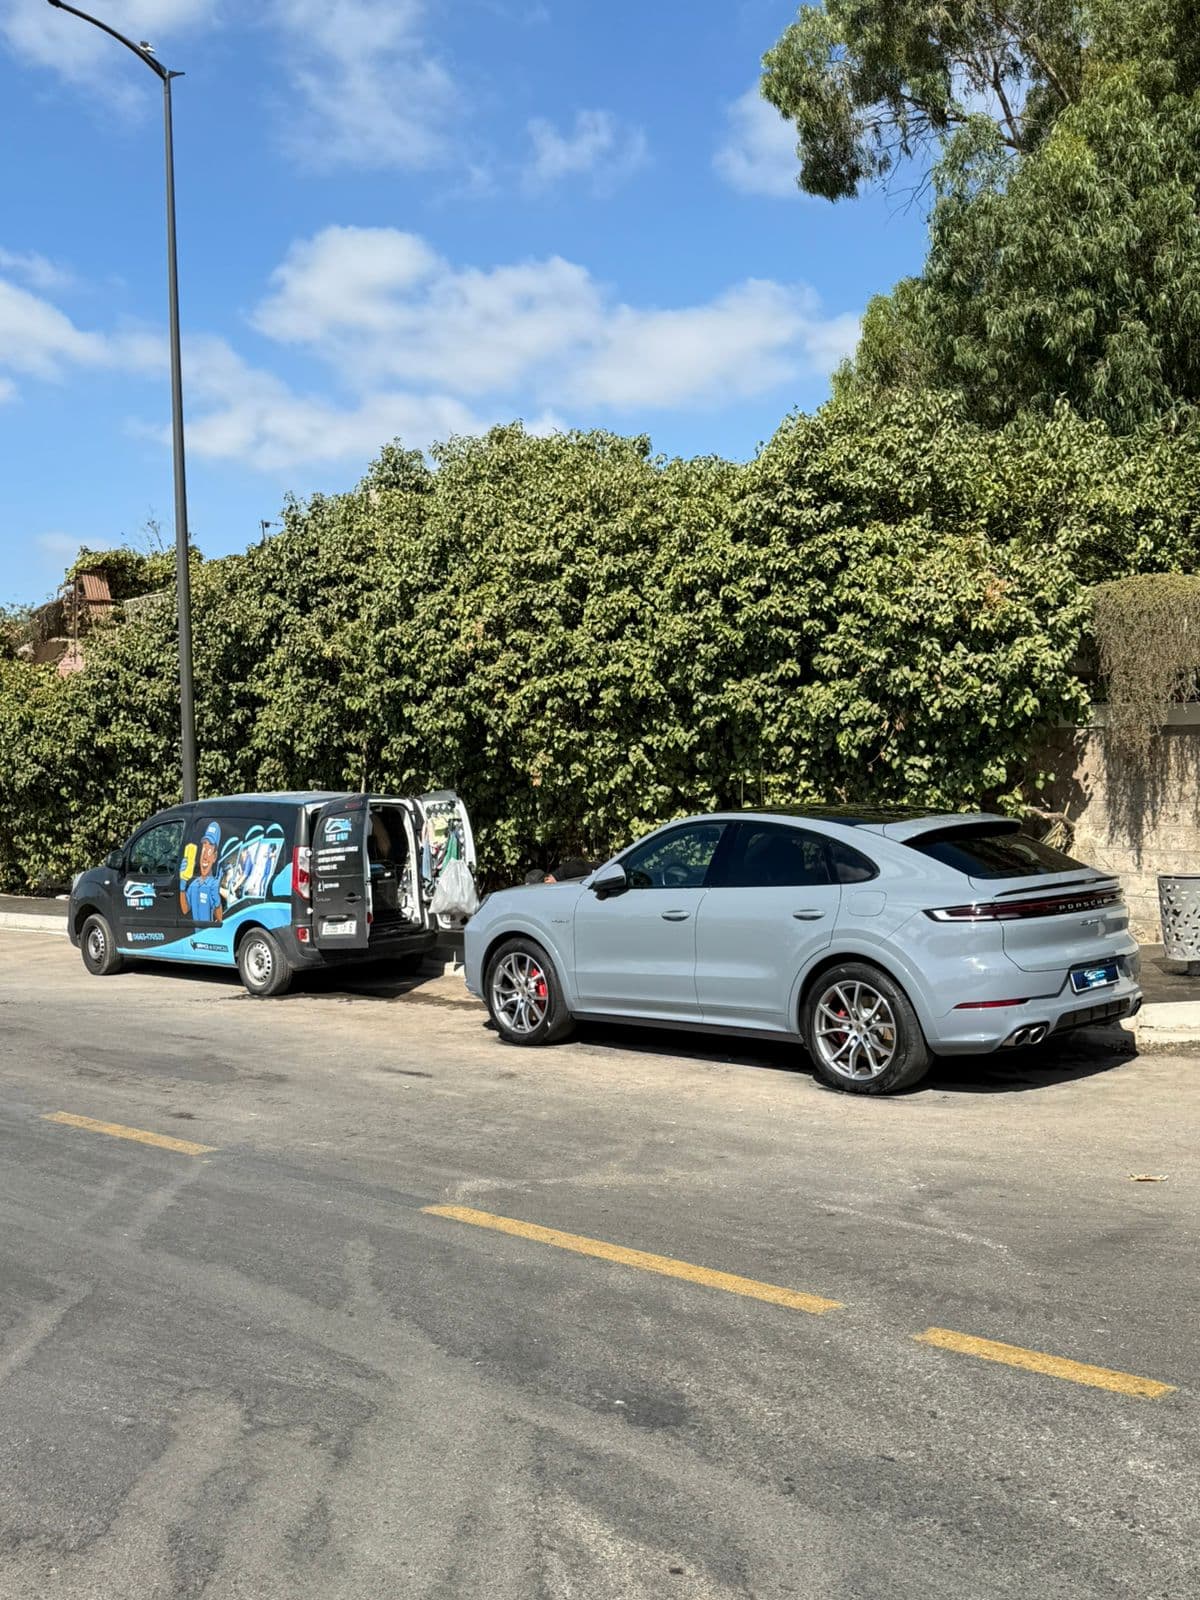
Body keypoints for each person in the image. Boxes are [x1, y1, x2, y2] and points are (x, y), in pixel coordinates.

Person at [181, 820, 224, 924]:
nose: (205, 857)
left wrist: (217, 902)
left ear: (214, 857)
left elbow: (220, 920)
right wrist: (182, 885)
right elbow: (185, 909)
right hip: (195, 939)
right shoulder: (193, 884)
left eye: (209, 850)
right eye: (204, 847)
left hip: (208, 938)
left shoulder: (213, 884)